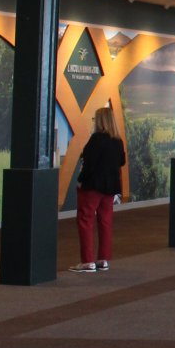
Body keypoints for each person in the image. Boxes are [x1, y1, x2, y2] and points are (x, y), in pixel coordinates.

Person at [70, 106, 125, 273]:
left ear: (100, 121)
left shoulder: (96, 139)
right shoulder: (117, 141)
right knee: (105, 221)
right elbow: (121, 162)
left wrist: (80, 181)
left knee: (85, 221)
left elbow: (89, 164)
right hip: (110, 187)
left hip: (93, 186)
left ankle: (87, 261)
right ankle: (103, 259)